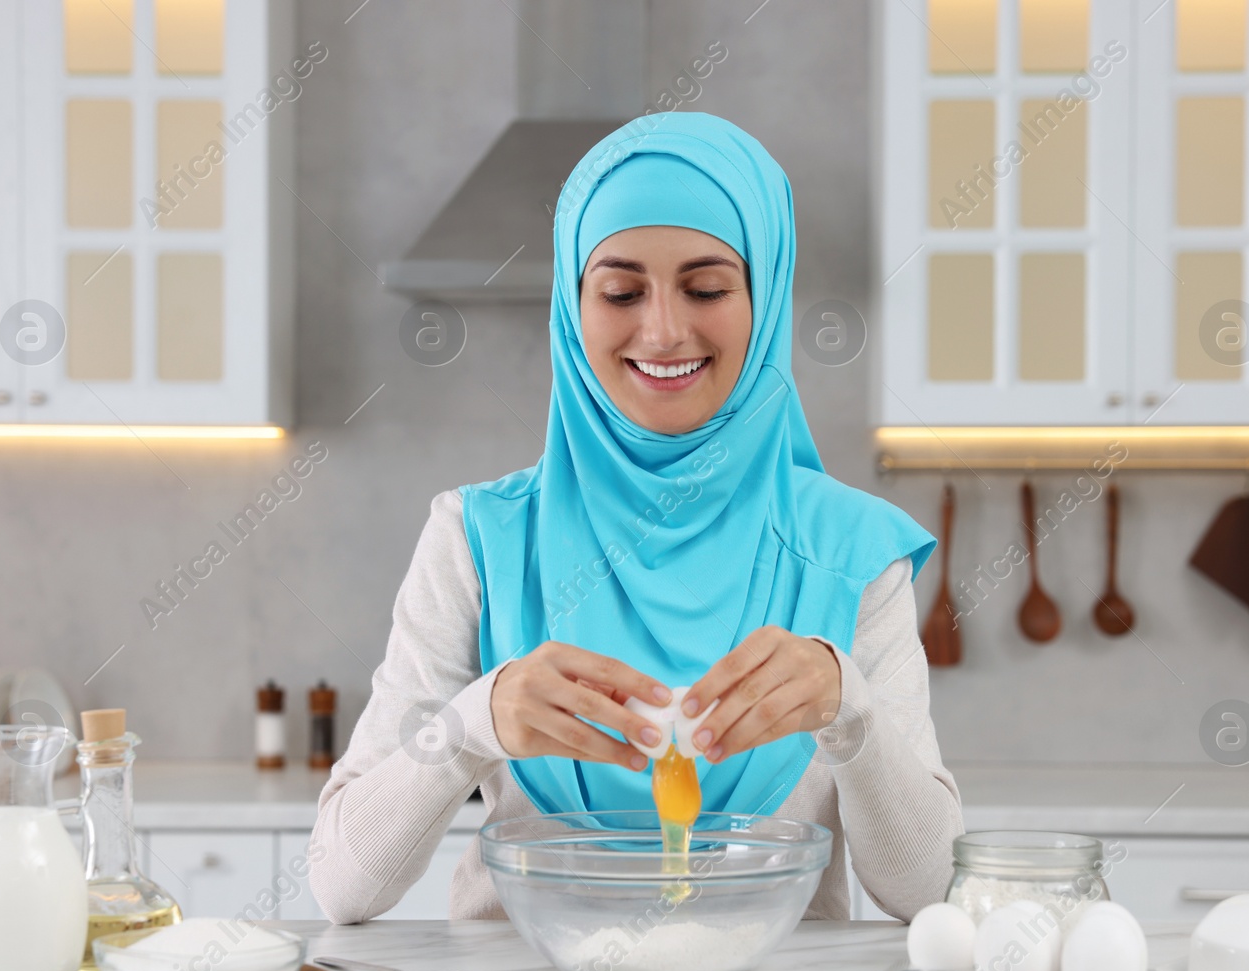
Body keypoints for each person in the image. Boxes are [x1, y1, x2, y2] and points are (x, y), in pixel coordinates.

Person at [308, 111, 962, 923]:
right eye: (620, 291)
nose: (662, 330)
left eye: (707, 287)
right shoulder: (479, 540)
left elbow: (927, 889)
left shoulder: (851, 553)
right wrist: (475, 722)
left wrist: (849, 708)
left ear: (766, 294)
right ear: (572, 305)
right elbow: (341, 887)